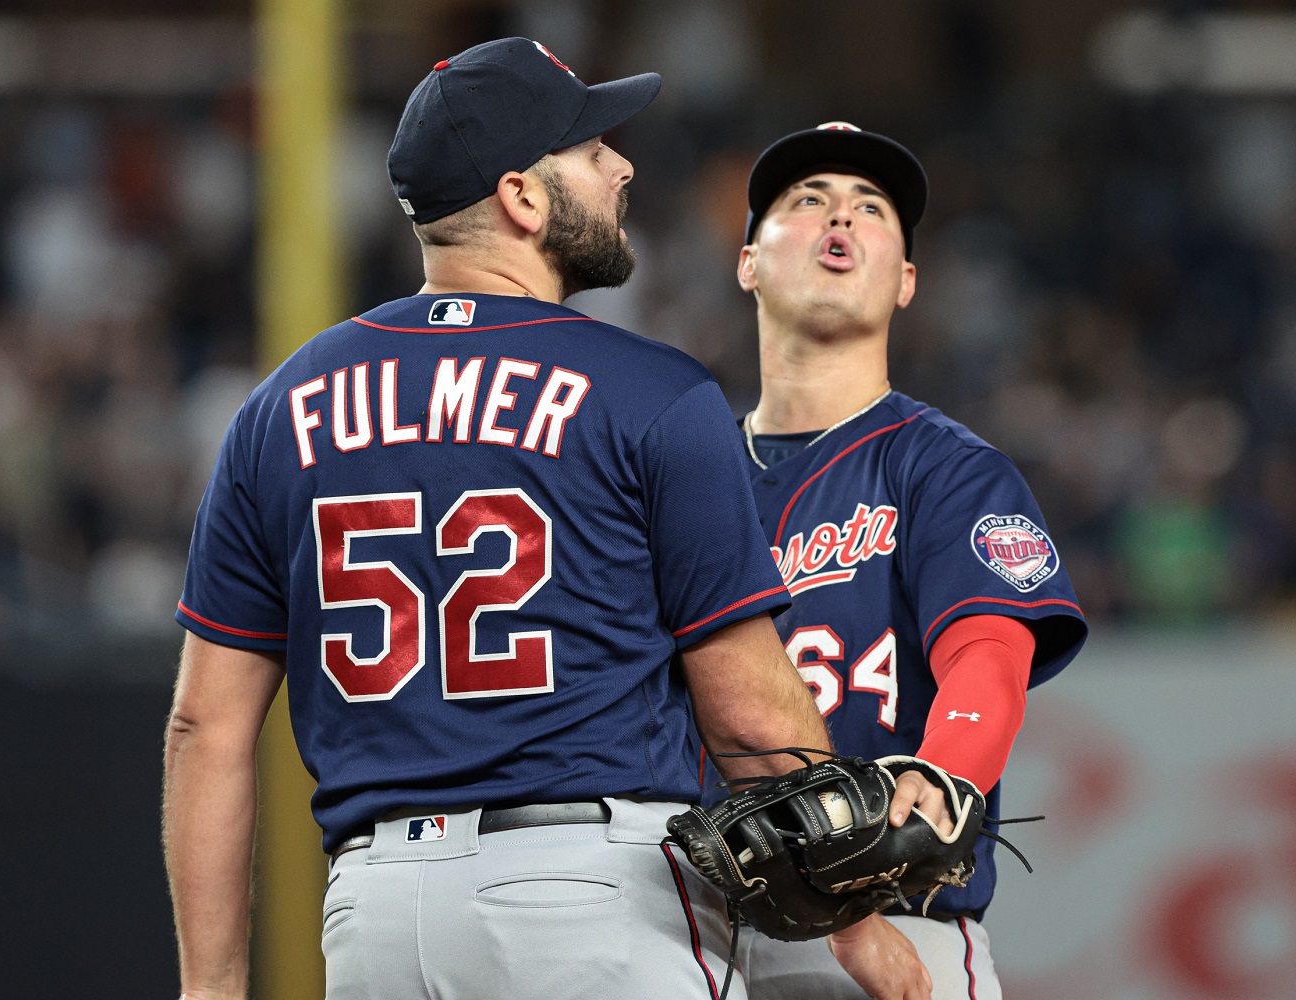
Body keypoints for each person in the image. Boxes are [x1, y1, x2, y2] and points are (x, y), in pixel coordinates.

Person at [160, 40, 892, 1000]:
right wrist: (860, 918)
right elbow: (754, 723)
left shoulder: (278, 407)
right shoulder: (649, 391)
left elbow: (205, 727)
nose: (622, 165)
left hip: (373, 914)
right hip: (588, 897)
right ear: (524, 199)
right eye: (591, 149)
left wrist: (209, 991)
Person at [721, 122, 1089, 999]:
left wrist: (948, 766)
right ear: (747, 263)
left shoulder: (946, 467)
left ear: (908, 280)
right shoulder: (683, 472)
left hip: (901, 933)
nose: (838, 219)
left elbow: (989, 653)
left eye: (870, 207)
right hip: (698, 935)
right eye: (807, 201)